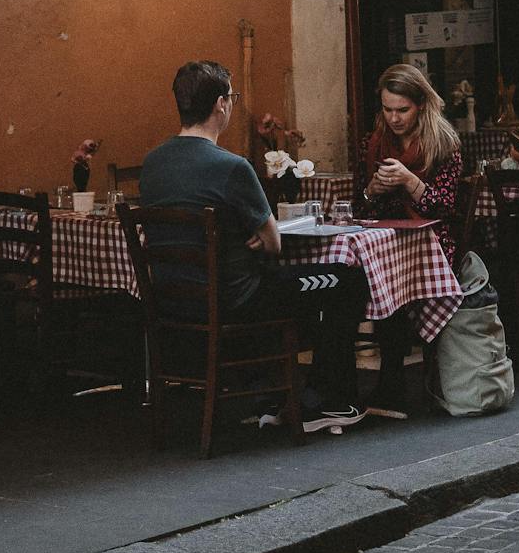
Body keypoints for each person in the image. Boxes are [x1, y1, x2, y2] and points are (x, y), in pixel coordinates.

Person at [138, 59, 369, 434]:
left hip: (174, 303)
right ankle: (328, 400)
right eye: (231, 96)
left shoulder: (152, 165)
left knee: (292, 287)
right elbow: (274, 244)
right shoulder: (232, 167)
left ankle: (276, 396)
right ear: (220, 104)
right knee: (346, 280)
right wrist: (256, 235)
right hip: (239, 300)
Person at [357, 62, 463, 420]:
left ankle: (393, 382)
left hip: (431, 243)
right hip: (389, 241)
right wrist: (373, 189)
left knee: (393, 277)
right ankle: (381, 383)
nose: (394, 119)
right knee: (356, 280)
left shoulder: (444, 143)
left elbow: (445, 206)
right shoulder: (374, 142)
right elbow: (363, 206)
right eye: (387, 110)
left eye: (402, 110)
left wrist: (408, 181)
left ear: (420, 105)